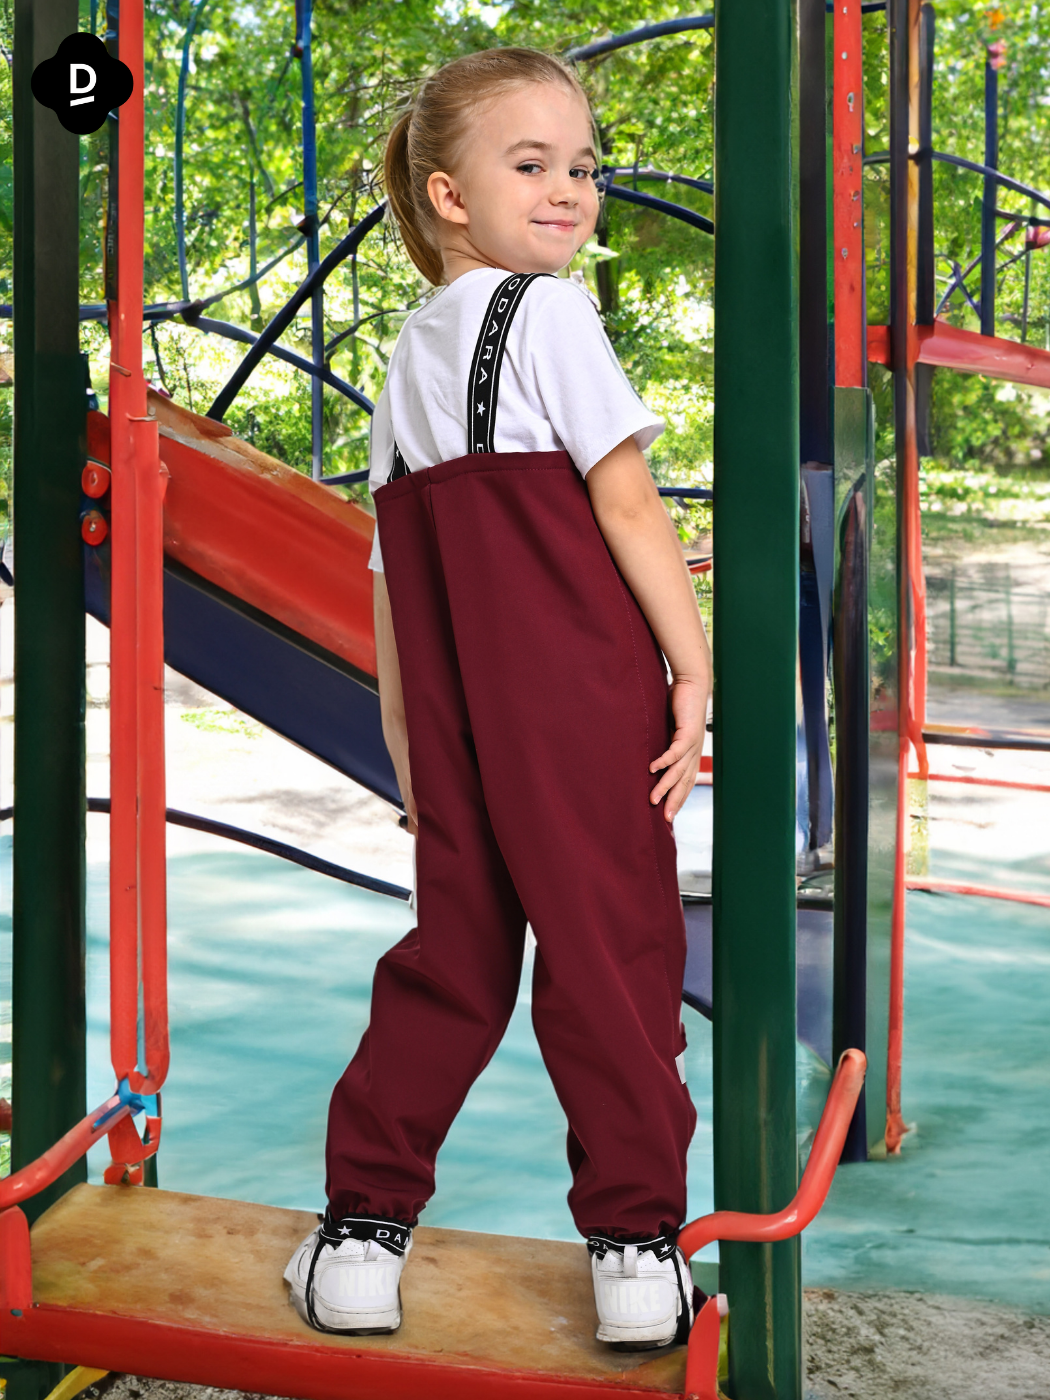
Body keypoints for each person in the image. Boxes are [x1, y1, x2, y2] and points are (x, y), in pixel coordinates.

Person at [284, 46, 712, 1351]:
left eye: (582, 166)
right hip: (578, 702)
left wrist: (410, 743)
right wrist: (692, 669)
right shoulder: (551, 315)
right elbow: (625, 503)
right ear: (448, 195)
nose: (570, 189)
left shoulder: (402, 362)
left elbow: (391, 583)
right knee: (608, 956)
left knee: (450, 963)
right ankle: (635, 1248)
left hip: (455, 720)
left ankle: (362, 1233)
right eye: (532, 165)